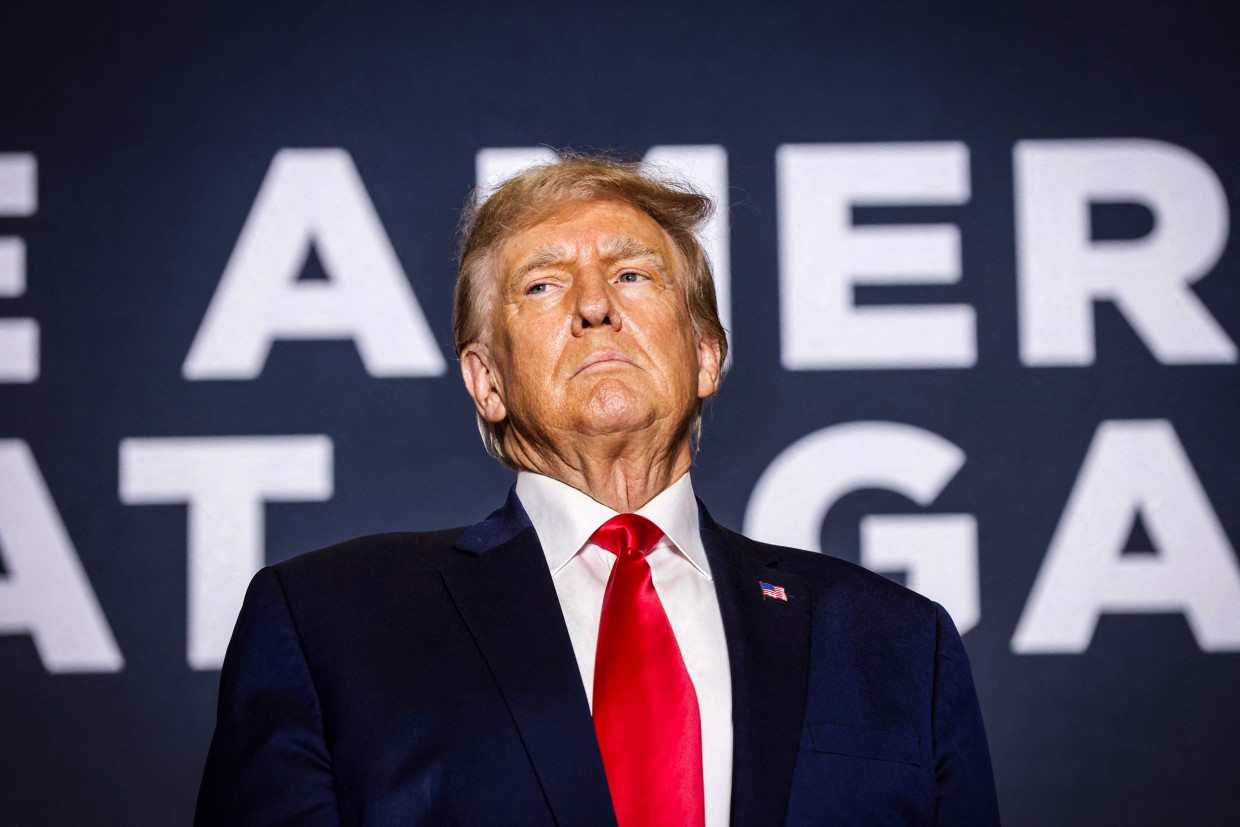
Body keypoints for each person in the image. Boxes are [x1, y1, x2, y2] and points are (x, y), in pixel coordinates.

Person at [195, 154, 1001, 826]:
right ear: (486, 381)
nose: (593, 306)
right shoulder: (328, 624)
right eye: (542, 285)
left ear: (706, 355)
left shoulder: (895, 644)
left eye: (632, 273)